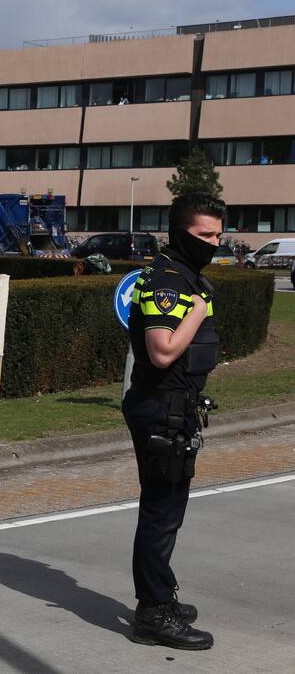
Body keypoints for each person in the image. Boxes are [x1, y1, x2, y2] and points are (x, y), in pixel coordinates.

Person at [122, 193, 225, 650]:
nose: (215, 242)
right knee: (161, 512)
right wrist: (199, 309)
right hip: (160, 406)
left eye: (219, 234)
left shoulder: (184, 276)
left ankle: (159, 593)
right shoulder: (169, 281)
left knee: (168, 507)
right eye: (205, 235)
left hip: (175, 406)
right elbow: (162, 350)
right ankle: (154, 612)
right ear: (180, 232)